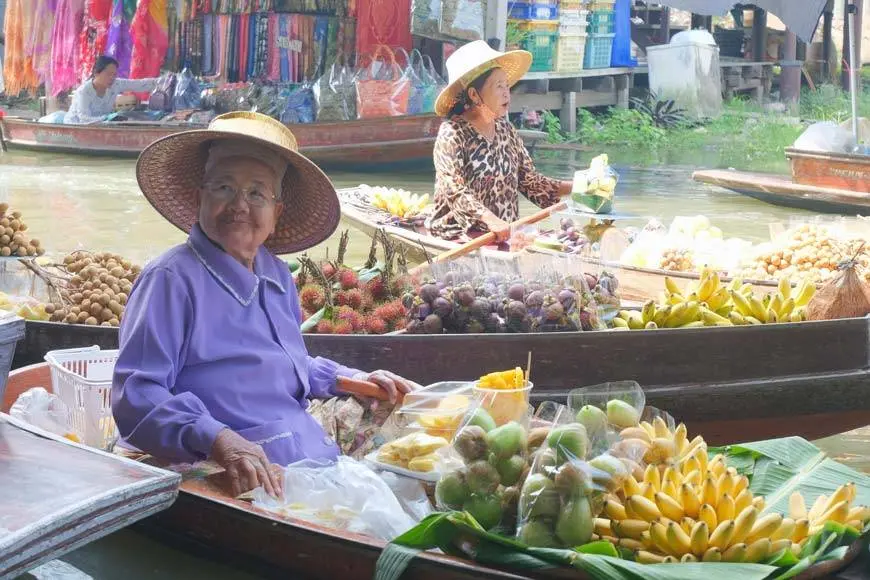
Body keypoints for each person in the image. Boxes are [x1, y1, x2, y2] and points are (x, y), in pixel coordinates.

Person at [112, 111, 418, 498]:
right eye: (223, 187)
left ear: (277, 213)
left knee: (416, 428)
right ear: (199, 198)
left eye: (257, 193)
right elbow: (136, 395)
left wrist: (346, 377)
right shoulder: (170, 280)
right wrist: (217, 437)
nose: (240, 205)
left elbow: (281, 362)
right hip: (239, 469)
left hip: (304, 448)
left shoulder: (275, 275)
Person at [428, 41, 573, 241]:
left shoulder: (506, 130)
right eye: (498, 86)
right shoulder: (452, 133)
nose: (507, 93)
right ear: (473, 95)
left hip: (505, 235)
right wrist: (489, 219)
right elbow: (453, 188)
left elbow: (530, 182)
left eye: (507, 85)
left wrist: (578, 187)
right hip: (460, 235)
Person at [65, 55, 158, 124]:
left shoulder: (116, 84)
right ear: (96, 73)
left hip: (103, 127)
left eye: (114, 75)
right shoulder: (84, 92)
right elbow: (84, 119)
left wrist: (162, 81)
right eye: (108, 74)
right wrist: (109, 118)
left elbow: (139, 84)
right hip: (76, 129)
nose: (112, 78)